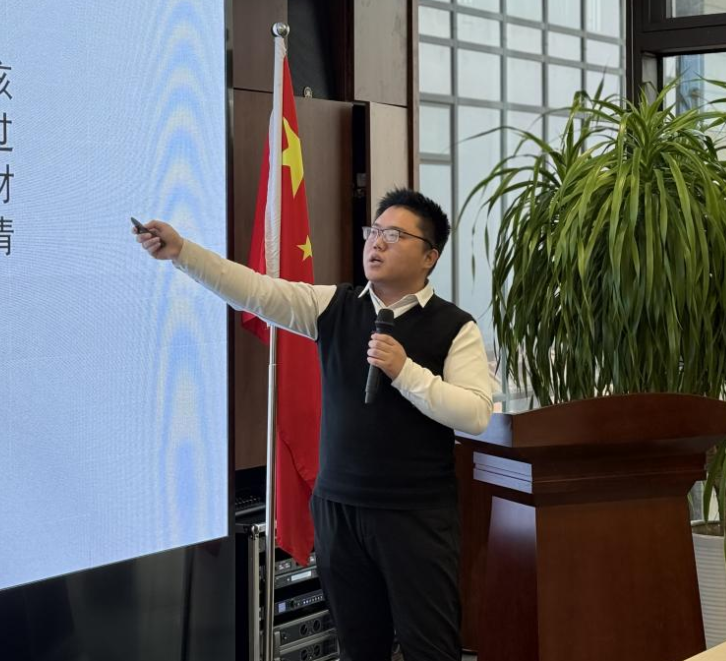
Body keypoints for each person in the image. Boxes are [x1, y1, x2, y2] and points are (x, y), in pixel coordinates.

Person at [134, 188, 493, 661]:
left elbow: (475, 413)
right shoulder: (334, 306)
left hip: (415, 516)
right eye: (374, 232)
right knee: (358, 649)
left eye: (394, 235)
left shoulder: (455, 326)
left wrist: (405, 372)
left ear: (430, 256)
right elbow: (256, 291)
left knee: (430, 648)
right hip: (338, 510)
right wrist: (183, 252)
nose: (376, 243)